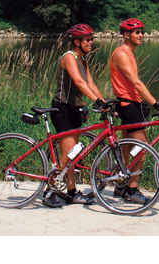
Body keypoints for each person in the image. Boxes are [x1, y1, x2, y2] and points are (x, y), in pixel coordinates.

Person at [109, 18, 159, 205]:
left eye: (142, 32)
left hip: (132, 104)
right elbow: (135, 82)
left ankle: (121, 184)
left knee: (128, 146)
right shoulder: (121, 54)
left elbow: (133, 84)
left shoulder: (129, 53)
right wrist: (156, 104)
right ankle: (132, 190)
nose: (141, 35)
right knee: (142, 148)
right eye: (137, 32)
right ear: (127, 35)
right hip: (127, 105)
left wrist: (142, 102)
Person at [44, 23, 105, 208]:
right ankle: (49, 192)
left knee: (73, 155)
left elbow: (91, 84)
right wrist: (97, 101)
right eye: (87, 39)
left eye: (92, 39)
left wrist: (105, 103)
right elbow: (78, 82)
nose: (91, 42)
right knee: (68, 156)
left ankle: (71, 193)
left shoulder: (83, 60)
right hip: (62, 109)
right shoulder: (69, 57)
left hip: (75, 109)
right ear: (76, 41)